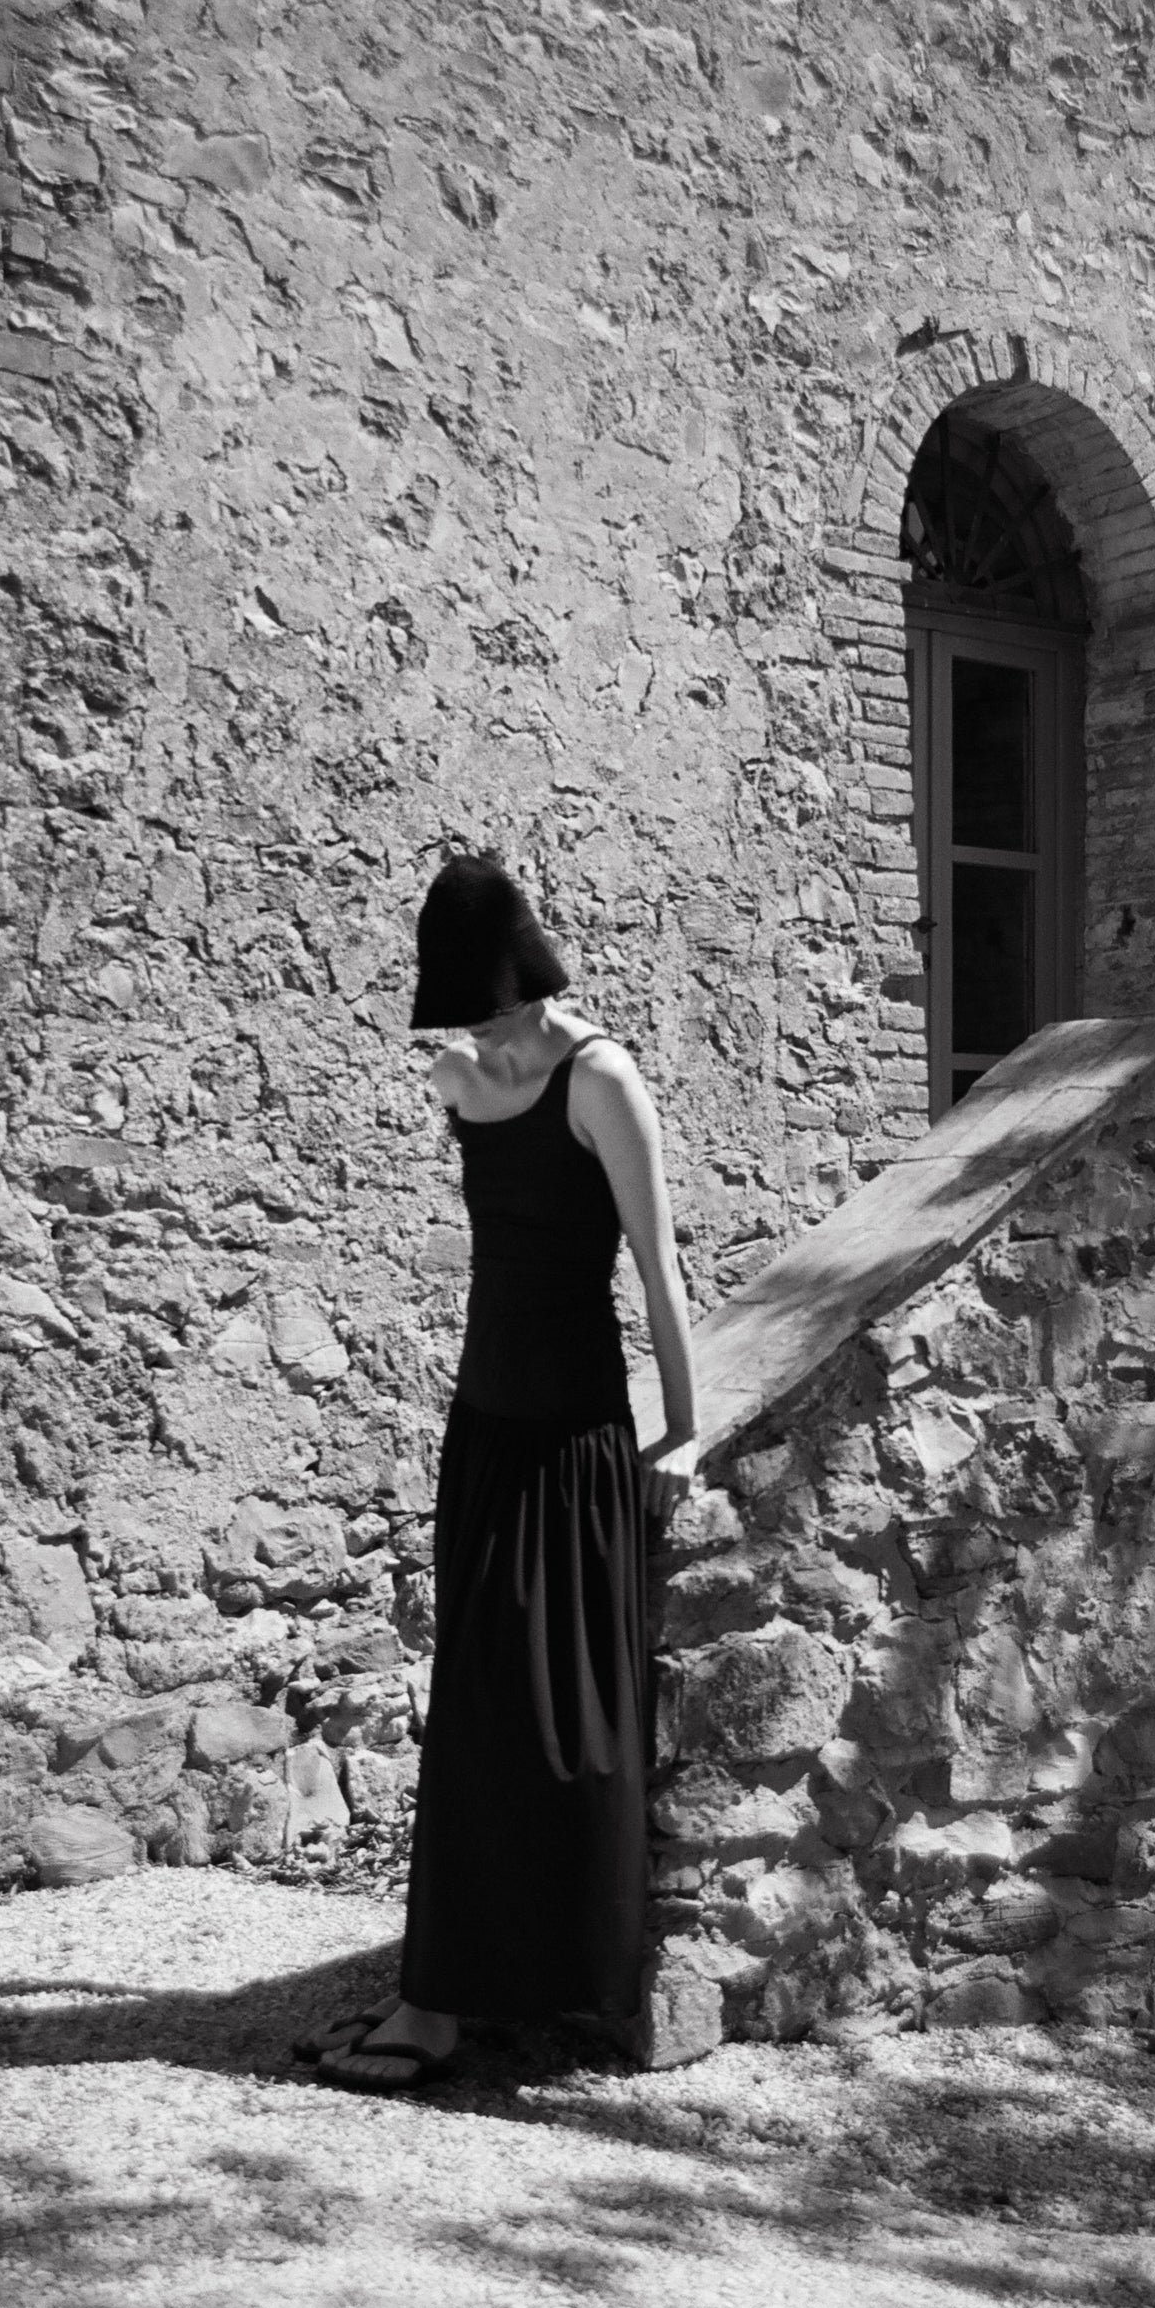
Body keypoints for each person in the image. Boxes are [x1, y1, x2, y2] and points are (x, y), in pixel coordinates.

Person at [300, 852, 699, 2091]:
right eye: (462, 1009)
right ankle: (432, 2005)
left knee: (564, 1727)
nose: (476, 1029)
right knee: (472, 1719)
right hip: (482, 1427)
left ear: (528, 976)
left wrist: (681, 1430)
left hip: (578, 1434)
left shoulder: (603, 1079)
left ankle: (515, 1996)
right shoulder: (456, 1074)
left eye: (489, 1003)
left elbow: (657, 1266)